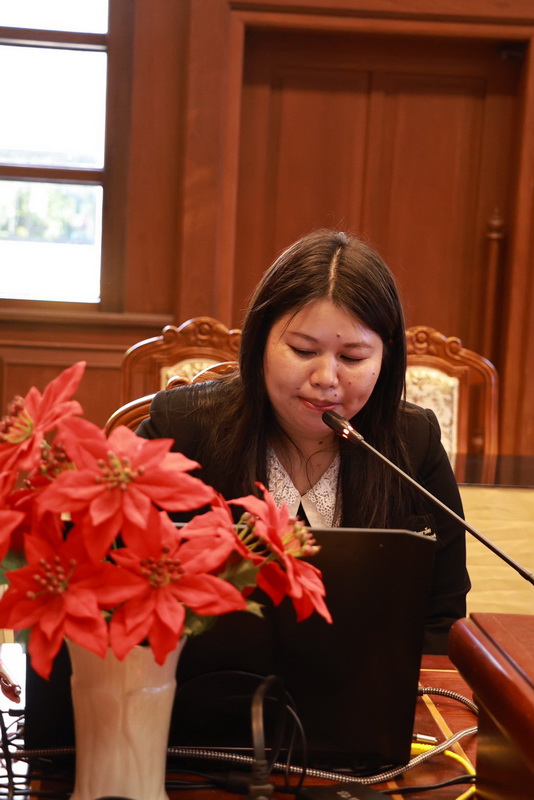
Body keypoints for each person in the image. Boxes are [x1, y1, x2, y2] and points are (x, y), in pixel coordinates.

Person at [137, 229, 470, 654]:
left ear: (385, 357)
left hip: (364, 689)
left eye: (352, 358)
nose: (326, 379)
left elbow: (441, 620)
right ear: (260, 341)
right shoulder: (182, 429)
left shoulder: (413, 442)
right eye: (303, 350)